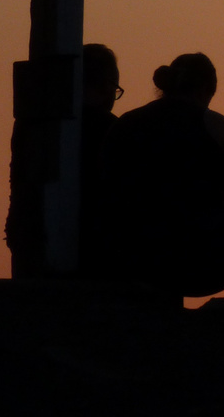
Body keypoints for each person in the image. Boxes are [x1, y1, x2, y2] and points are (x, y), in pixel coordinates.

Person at [105, 52, 224, 298]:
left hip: (133, 259)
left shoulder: (125, 124)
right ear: (205, 90)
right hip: (196, 260)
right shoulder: (215, 126)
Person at [5, 41, 121, 275]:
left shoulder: (33, 126)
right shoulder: (115, 132)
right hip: (97, 254)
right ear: (107, 86)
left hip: (33, 247)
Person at [77, 43, 123, 277]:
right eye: (116, 89)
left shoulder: (51, 127)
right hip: (104, 247)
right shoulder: (116, 131)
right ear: (107, 85)